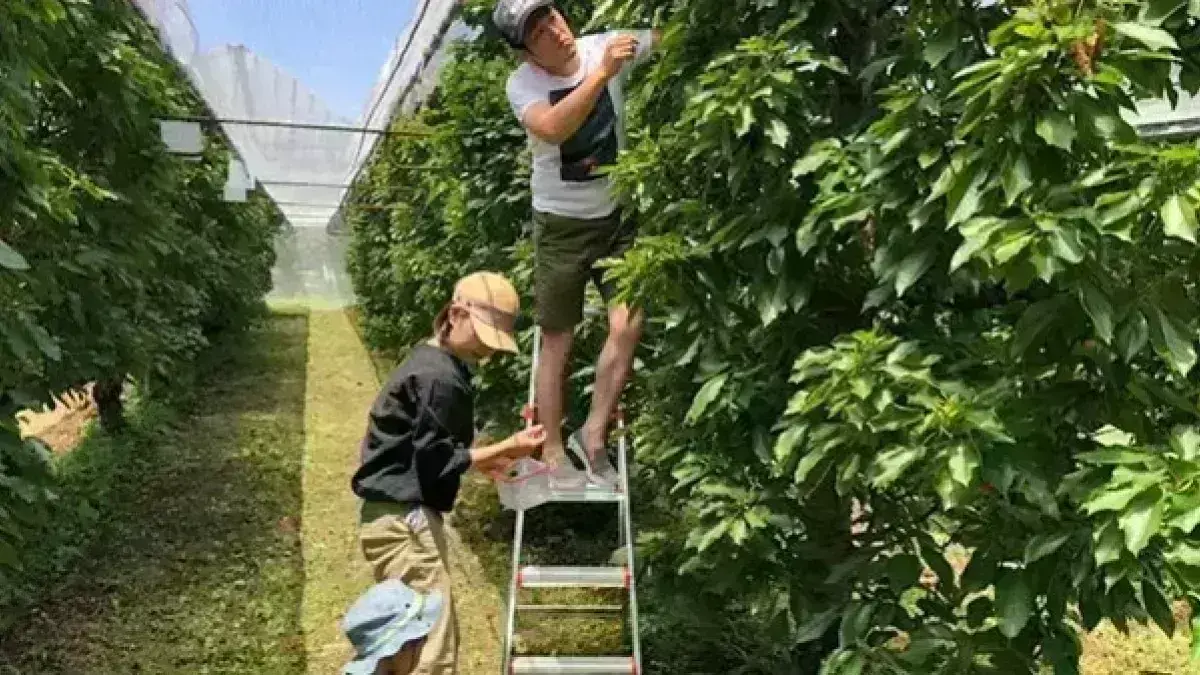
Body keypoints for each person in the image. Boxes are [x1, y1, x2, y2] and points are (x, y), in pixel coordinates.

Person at [493, 0, 661, 487]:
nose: (555, 32)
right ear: (527, 53)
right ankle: (550, 446)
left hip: (617, 218)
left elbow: (667, 37)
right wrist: (603, 72)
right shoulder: (523, 85)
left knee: (628, 323)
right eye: (539, 32)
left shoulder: (601, 46)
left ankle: (592, 433)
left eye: (553, 18)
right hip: (562, 224)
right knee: (556, 339)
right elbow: (553, 128)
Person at [350, 271, 546, 674]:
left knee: (400, 635)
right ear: (455, 315)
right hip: (406, 522)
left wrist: (486, 460)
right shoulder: (440, 378)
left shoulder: (427, 362)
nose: (486, 352)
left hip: (388, 516)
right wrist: (508, 447)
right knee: (429, 644)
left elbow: (422, 451)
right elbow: (437, 460)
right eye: (483, 337)